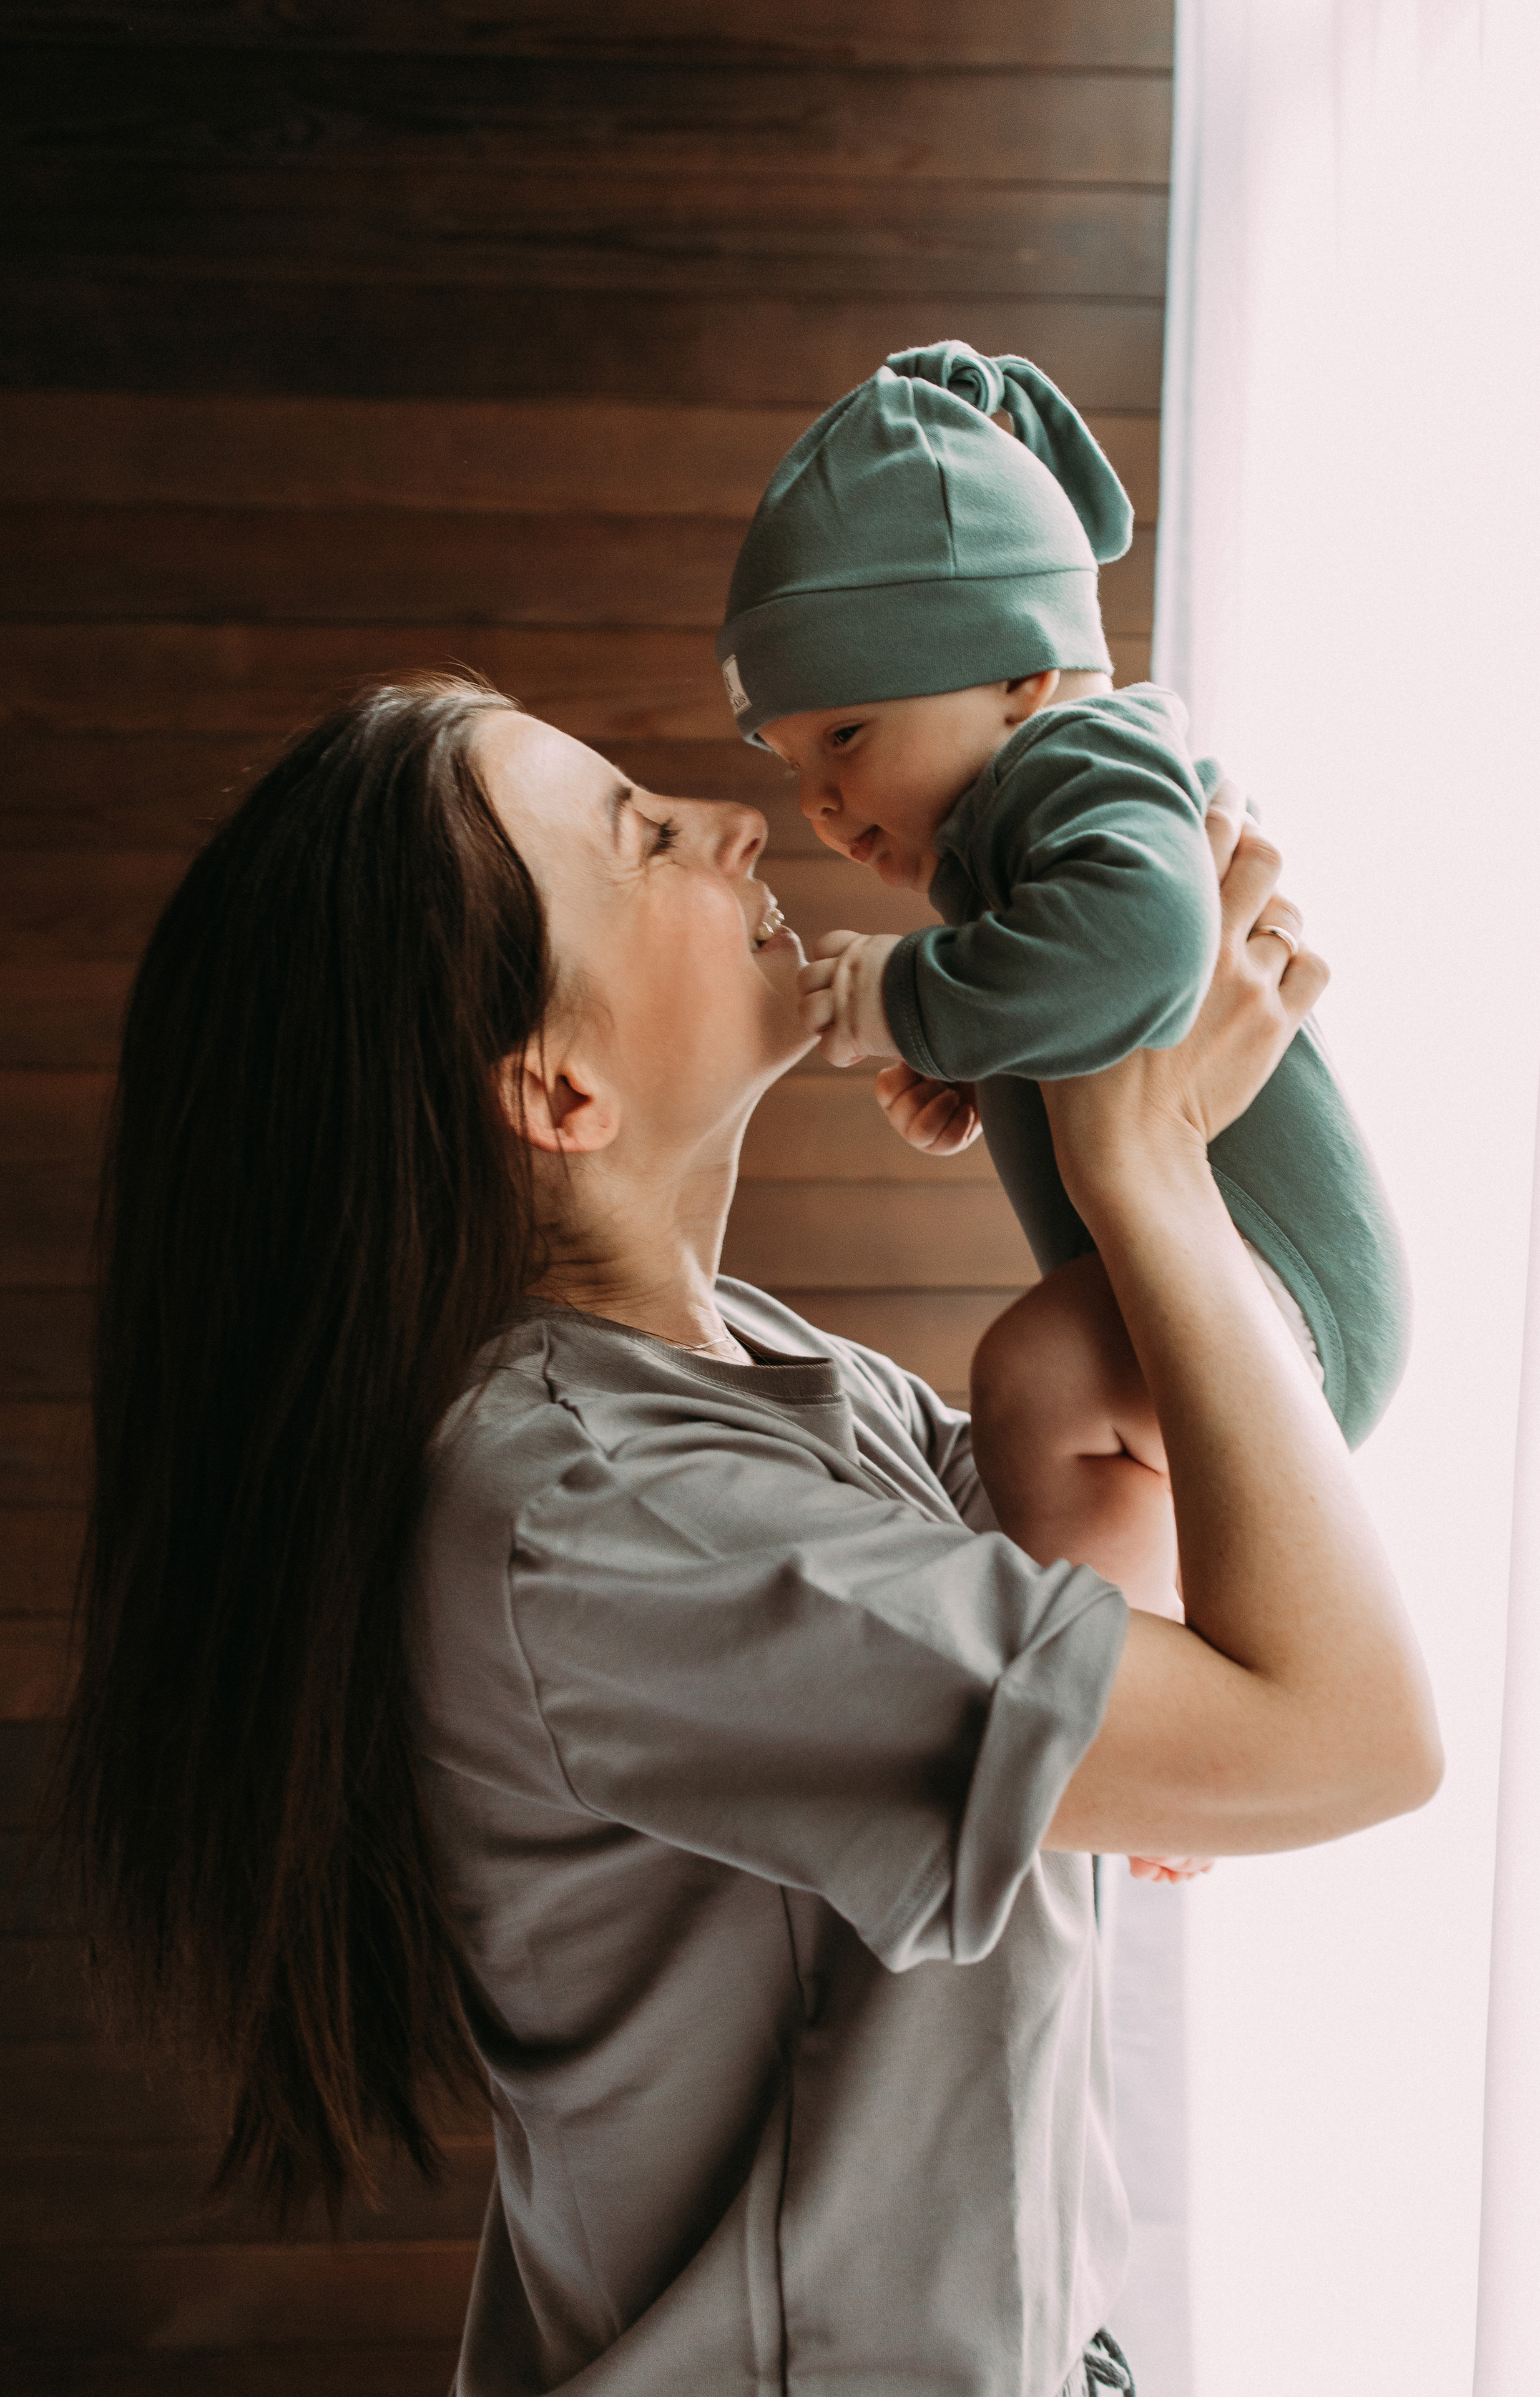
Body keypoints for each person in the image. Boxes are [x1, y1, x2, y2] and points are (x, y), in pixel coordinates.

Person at [55, 674, 1440, 2397]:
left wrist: (1154, 1078)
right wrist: (1140, 1176)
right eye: (643, 838)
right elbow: (1347, 1739)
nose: (738, 823)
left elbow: (1159, 1619)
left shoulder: (773, 1374)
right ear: (558, 1091)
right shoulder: (592, 1515)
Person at [715, 342, 1408, 1644]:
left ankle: (1139, 1702)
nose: (817, 803)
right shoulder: (1020, 819)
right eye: (793, 759)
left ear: (1024, 672)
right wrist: (986, 1054)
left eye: (847, 736)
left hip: (1280, 1291)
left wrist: (905, 996)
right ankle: (1152, 1669)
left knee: (1030, 1385)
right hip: (1218, 1284)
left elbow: (1142, 948)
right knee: (1042, 1398)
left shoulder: (1084, 760)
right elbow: (1098, 998)